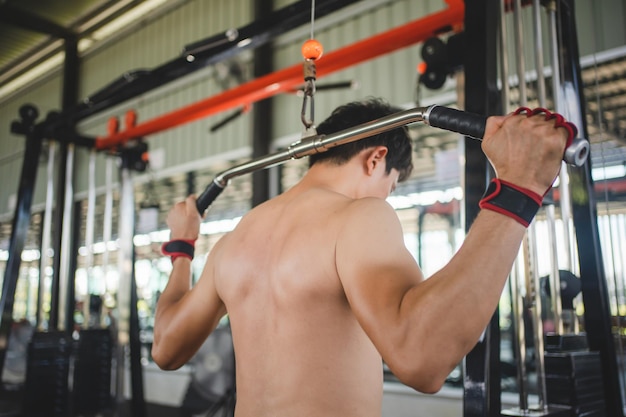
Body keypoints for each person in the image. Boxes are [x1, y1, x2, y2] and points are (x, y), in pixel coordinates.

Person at [152, 98, 572, 417]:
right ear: (376, 159)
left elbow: (166, 349)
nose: (387, 197)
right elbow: (422, 358)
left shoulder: (235, 240)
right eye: (392, 186)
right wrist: (518, 190)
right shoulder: (358, 216)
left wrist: (182, 249)